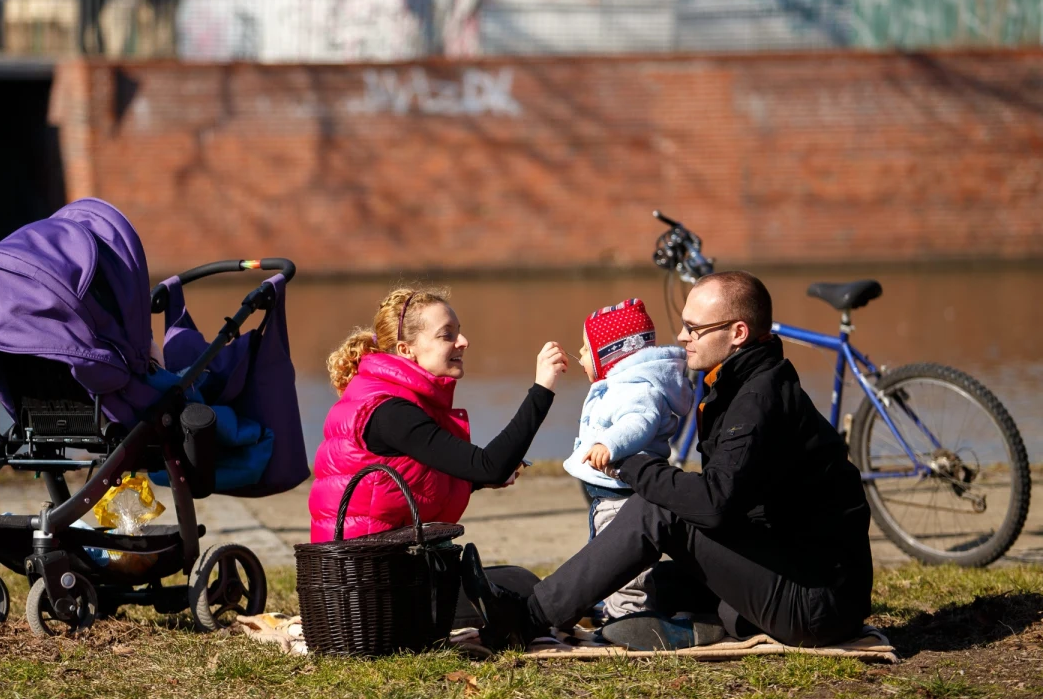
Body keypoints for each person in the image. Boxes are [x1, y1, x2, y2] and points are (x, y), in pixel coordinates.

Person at [464, 271, 873, 651]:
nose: (680, 336)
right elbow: (733, 501)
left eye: (694, 328)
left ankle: (526, 618)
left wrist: (630, 463)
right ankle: (698, 624)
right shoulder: (742, 383)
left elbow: (713, 505)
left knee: (656, 507)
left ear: (738, 333)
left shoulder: (757, 401)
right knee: (649, 584)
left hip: (814, 602)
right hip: (791, 570)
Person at [308, 286, 567, 542]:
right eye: (447, 335)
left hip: (372, 559)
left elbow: (411, 481)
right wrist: (542, 389)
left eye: (459, 331)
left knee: (510, 580)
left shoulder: (387, 395)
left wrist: (474, 481)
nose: (463, 342)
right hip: (366, 569)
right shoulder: (390, 411)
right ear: (406, 350)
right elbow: (490, 466)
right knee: (518, 582)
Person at [562, 298, 694, 622]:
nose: (579, 354)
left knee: (623, 565)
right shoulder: (620, 384)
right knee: (604, 556)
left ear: (610, 353)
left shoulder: (636, 388)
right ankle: (613, 610)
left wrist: (609, 443)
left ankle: (630, 618)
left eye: (584, 348)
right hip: (610, 493)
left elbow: (638, 422)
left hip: (624, 495)